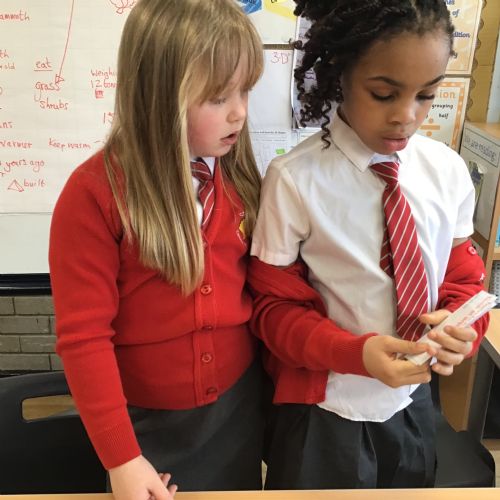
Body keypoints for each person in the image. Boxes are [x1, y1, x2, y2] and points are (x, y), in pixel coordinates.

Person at [248, 0, 489, 490]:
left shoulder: (446, 172)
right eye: (383, 94)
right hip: (326, 412)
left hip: (413, 404)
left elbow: (465, 281)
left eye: (426, 95)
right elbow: (272, 311)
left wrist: (463, 327)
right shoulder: (294, 179)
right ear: (340, 74)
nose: (406, 116)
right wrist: (356, 353)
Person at [49, 0, 265, 498]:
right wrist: (122, 458)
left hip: (236, 408)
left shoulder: (237, 176)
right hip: (145, 424)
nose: (240, 112)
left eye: (245, 90)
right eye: (218, 97)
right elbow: (84, 339)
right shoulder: (94, 194)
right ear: (159, 96)